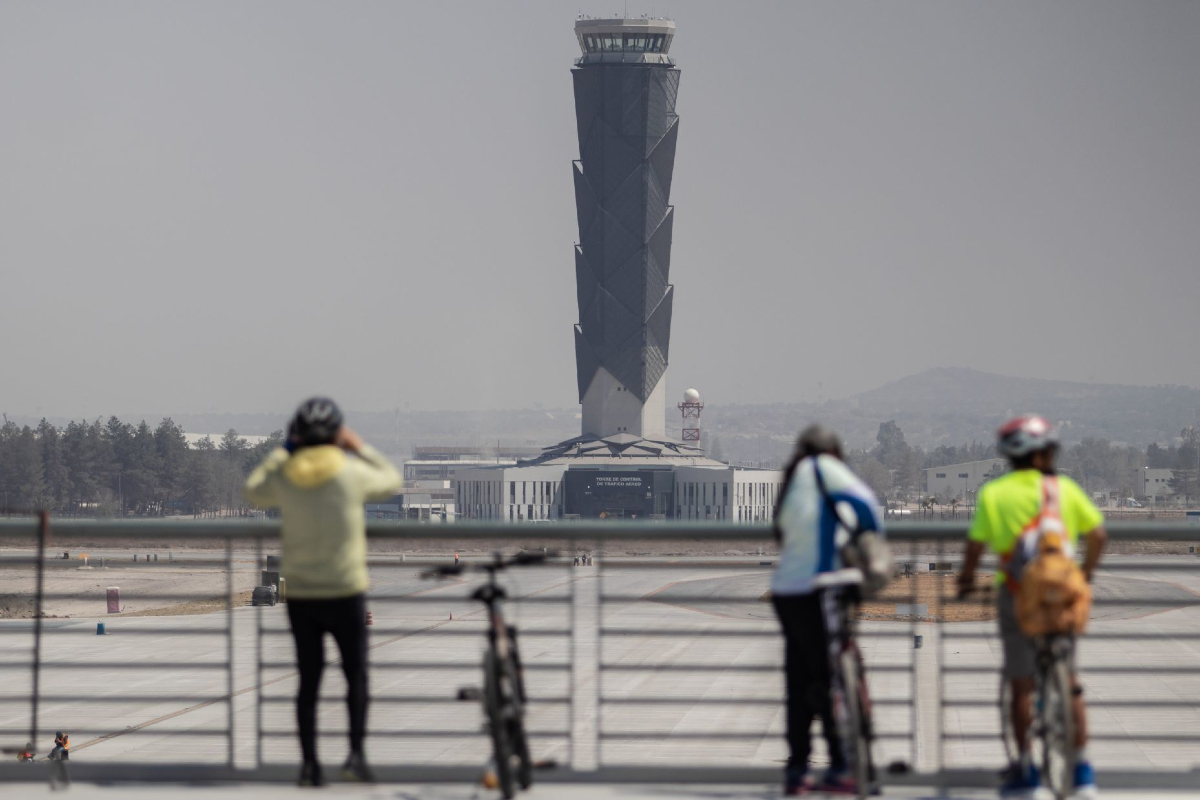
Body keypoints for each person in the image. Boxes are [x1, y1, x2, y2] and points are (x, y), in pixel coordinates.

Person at [244, 397, 402, 787]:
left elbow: (254, 490)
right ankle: (355, 756)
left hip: (303, 596)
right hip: (346, 590)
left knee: (309, 683)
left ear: (298, 435)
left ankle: (310, 765)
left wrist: (285, 449)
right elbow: (392, 480)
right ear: (336, 435)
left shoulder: (289, 474)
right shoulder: (350, 472)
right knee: (356, 677)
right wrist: (356, 445)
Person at [957, 415, 1106, 800]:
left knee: (1020, 685)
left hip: (1020, 595)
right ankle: (1082, 773)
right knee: (1070, 681)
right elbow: (1098, 535)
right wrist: (1084, 576)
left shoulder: (995, 494)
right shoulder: (1064, 489)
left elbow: (974, 549)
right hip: (1063, 596)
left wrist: (967, 580)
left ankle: (1027, 773)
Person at [771, 425, 884, 796]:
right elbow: (868, 508)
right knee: (829, 677)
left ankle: (797, 768)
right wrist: (867, 538)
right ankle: (841, 763)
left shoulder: (791, 479)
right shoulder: (825, 469)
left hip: (787, 592)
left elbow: (782, 534)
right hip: (823, 585)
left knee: (798, 677)